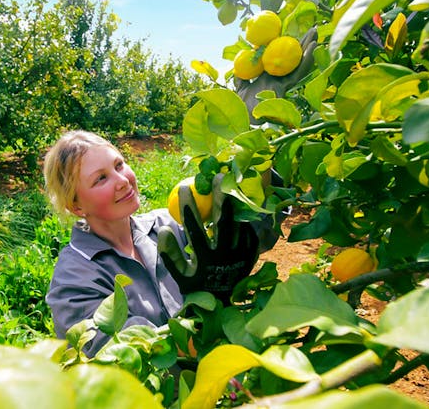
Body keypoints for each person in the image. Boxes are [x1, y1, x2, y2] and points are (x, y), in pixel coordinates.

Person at [42, 130, 265, 357]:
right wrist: (212, 307)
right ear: (76, 206)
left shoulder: (167, 223)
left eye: (119, 165)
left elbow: (253, 233)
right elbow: (125, 352)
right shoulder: (72, 280)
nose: (122, 181)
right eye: (101, 178)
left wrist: (261, 166)